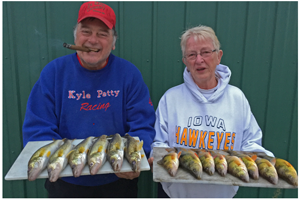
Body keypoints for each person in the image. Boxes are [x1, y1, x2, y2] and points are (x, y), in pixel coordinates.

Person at [22, 1, 156, 198]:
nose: (93, 40)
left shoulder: (128, 74)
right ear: (75, 36)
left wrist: (134, 158)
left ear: (113, 41)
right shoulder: (54, 73)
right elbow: (37, 129)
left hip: (117, 182)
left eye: (102, 34)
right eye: (86, 32)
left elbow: (143, 125)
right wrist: (55, 161)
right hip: (65, 183)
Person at [147, 25, 274, 198]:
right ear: (185, 60)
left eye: (206, 52)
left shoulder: (236, 98)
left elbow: (250, 143)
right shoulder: (171, 98)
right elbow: (158, 143)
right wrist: (157, 158)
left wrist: (262, 159)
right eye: (192, 54)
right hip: (175, 194)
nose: (199, 60)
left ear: (218, 56)